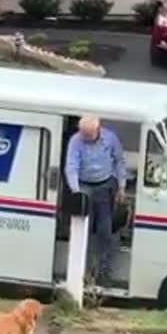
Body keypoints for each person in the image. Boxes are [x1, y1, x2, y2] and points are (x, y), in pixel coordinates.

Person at [64, 115, 127, 287]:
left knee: (105, 232)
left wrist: (121, 186)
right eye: (83, 134)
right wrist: (76, 192)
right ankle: (82, 274)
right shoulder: (76, 141)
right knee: (82, 231)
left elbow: (120, 161)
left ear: (98, 130)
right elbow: (71, 166)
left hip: (105, 186)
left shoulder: (110, 138)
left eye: (89, 135)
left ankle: (104, 273)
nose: (86, 138)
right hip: (84, 186)